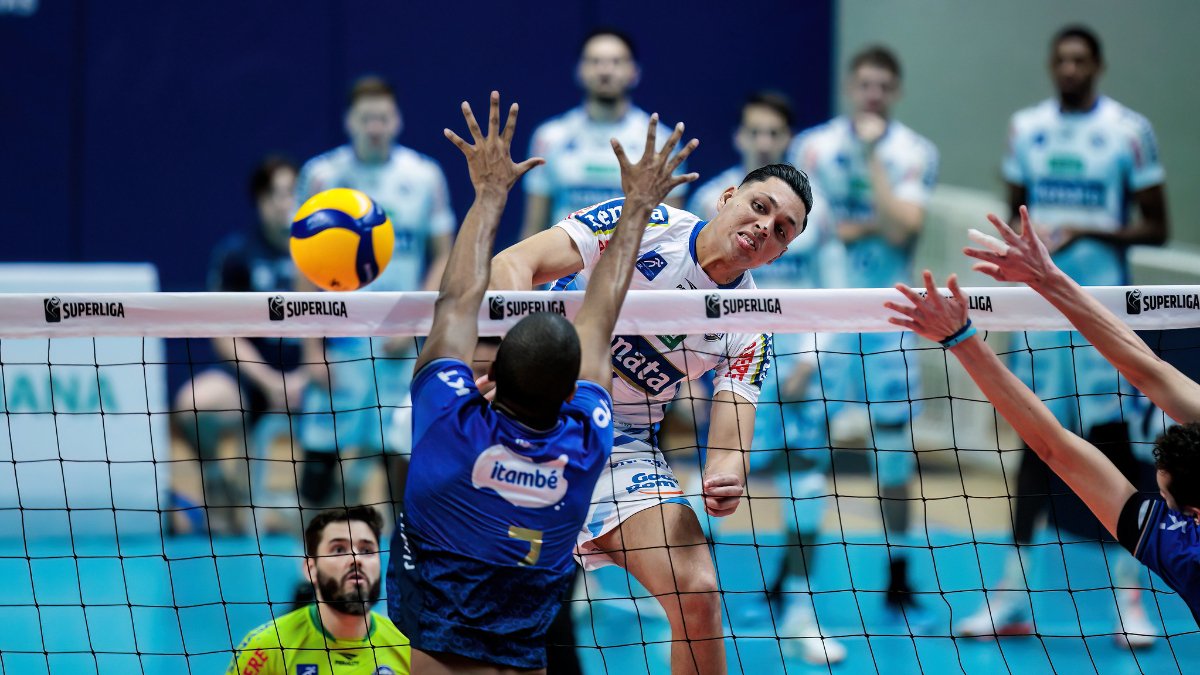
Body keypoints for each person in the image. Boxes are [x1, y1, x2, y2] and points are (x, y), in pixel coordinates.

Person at [387, 92, 698, 674]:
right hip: (523, 658)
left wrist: (488, 195)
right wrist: (639, 207)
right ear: (570, 394)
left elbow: (456, 301)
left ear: (490, 373)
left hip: (433, 650)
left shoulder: (448, 421)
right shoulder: (586, 444)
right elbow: (600, 318)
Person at [493, 152, 812, 672]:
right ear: (726, 197)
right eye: (760, 207)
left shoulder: (750, 324)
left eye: (781, 230)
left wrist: (726, 478)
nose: (764, 227)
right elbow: (511, 264)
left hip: (619, 445)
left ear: (779, 255)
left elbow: (729, 448)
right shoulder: (649, 223)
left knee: (697, 590)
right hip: (527, 413)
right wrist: (504, 357)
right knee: (497, 613)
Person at [883, 207, 1199, 628]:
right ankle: (1015, 593)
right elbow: (1149, 373)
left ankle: (1129, 600)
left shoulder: (1183, 552)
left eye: (1169, 503)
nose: (1168, 509)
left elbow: (1057, 446)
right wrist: (1045, 277)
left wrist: (961, 338)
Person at [955, 25, 1169, 643]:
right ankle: (1010, 598)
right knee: (1034, 447)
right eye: (1062, 60)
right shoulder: (1028, 129)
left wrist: (1086, 230)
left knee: (1117, 451)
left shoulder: (1129, 130)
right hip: (1041, 318)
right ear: (1053, 65)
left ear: (1097, 65)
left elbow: (1157, 226)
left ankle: (1130, 601)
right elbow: (1015, 219)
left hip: (1104, 316)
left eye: (1081, 60)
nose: (1071, 68)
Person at [686, 91, 845, 663]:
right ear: (740, 137)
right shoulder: (713, 198)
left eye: (774, 132)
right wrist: (690, 375)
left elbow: (835, 292)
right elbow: (688, 288)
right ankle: (685, 600)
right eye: (755, 131)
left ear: (788, 139)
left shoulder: (809, 214)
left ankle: (800, 610)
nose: (764, 140)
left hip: (795, 372)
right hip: (725, 366)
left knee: (805, 488)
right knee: (714, 484)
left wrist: (810, 361)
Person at [788, 44, 938, 621]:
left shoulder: (913, 151)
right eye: (865, 84)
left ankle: (899, 572)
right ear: (851, 87)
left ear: (895, 92)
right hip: (825, 322)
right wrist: (869, 222)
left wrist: (872, 159)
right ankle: (791, 577)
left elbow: (904, 229)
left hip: (888, 324)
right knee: (808, 452)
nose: (873, 94)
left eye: (883, 85)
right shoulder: (813, 147)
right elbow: (805, 230)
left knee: (893, 456)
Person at [294, 75, 455, 514]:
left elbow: (443, 253)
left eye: (383, 118)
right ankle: (310, 556)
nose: (375, 127)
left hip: (398, 345)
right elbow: (302, 263)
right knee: (319, 467)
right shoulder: (322, 175)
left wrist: (415, 322)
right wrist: (311, 350)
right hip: (340, 343)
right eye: (366, 118)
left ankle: (403, 553)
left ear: (397, 120)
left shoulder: (423, 175)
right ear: (349, 121)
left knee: (401, 460)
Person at [173, 156, 308, 535]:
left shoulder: (323, 253)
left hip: (312, 380)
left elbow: (342, 329)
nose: (285, 202)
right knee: (193, 404)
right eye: (276, 194)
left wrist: (307, 375)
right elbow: (223, 334)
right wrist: (270, 382)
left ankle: (332, 495)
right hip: (252, 383)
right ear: (260, 201)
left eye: (293, 192)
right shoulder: (237, 254)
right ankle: (217, 479)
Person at [520, 28, 687, 242]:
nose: (605, 70)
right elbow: (534, 228)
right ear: (579, 70)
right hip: (564, 260)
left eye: (616, 62)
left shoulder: (661, 141)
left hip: (634, 260)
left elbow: (673, 233)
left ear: (634, 72)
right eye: (595, 61)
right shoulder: (549, 137)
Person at [227, 505, 410, 674]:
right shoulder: (266, 648)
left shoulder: (408, 645)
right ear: (310, 569)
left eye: (367, 550)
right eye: (339, 549)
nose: (356, 559)